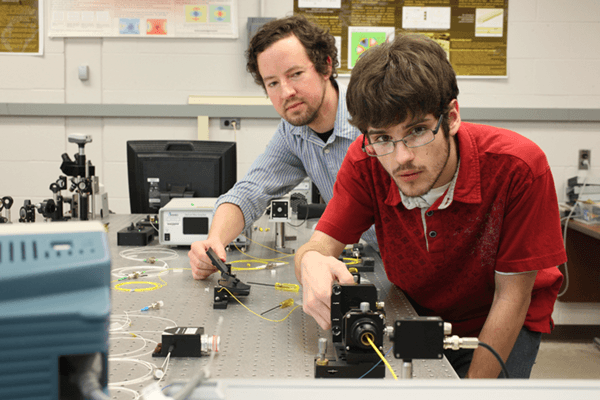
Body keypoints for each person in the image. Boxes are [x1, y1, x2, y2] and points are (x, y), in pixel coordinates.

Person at [294, 34, 566, 379]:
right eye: (382, 137)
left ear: (451, 117)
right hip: (419, 304)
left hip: (500, 311)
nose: (403, 157)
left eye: (418, 130)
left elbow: (511, 298)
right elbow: (317, 247)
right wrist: (311, 263)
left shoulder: (518, 168)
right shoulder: (366, 161)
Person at [189, 15, 376, 280]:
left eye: (296, 74)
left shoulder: (373, 118)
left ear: (325, 67)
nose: (286, 92)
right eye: (273, 83)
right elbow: (250, 191)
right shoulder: (293, 131)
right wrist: (214, 241)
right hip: (384, 258)